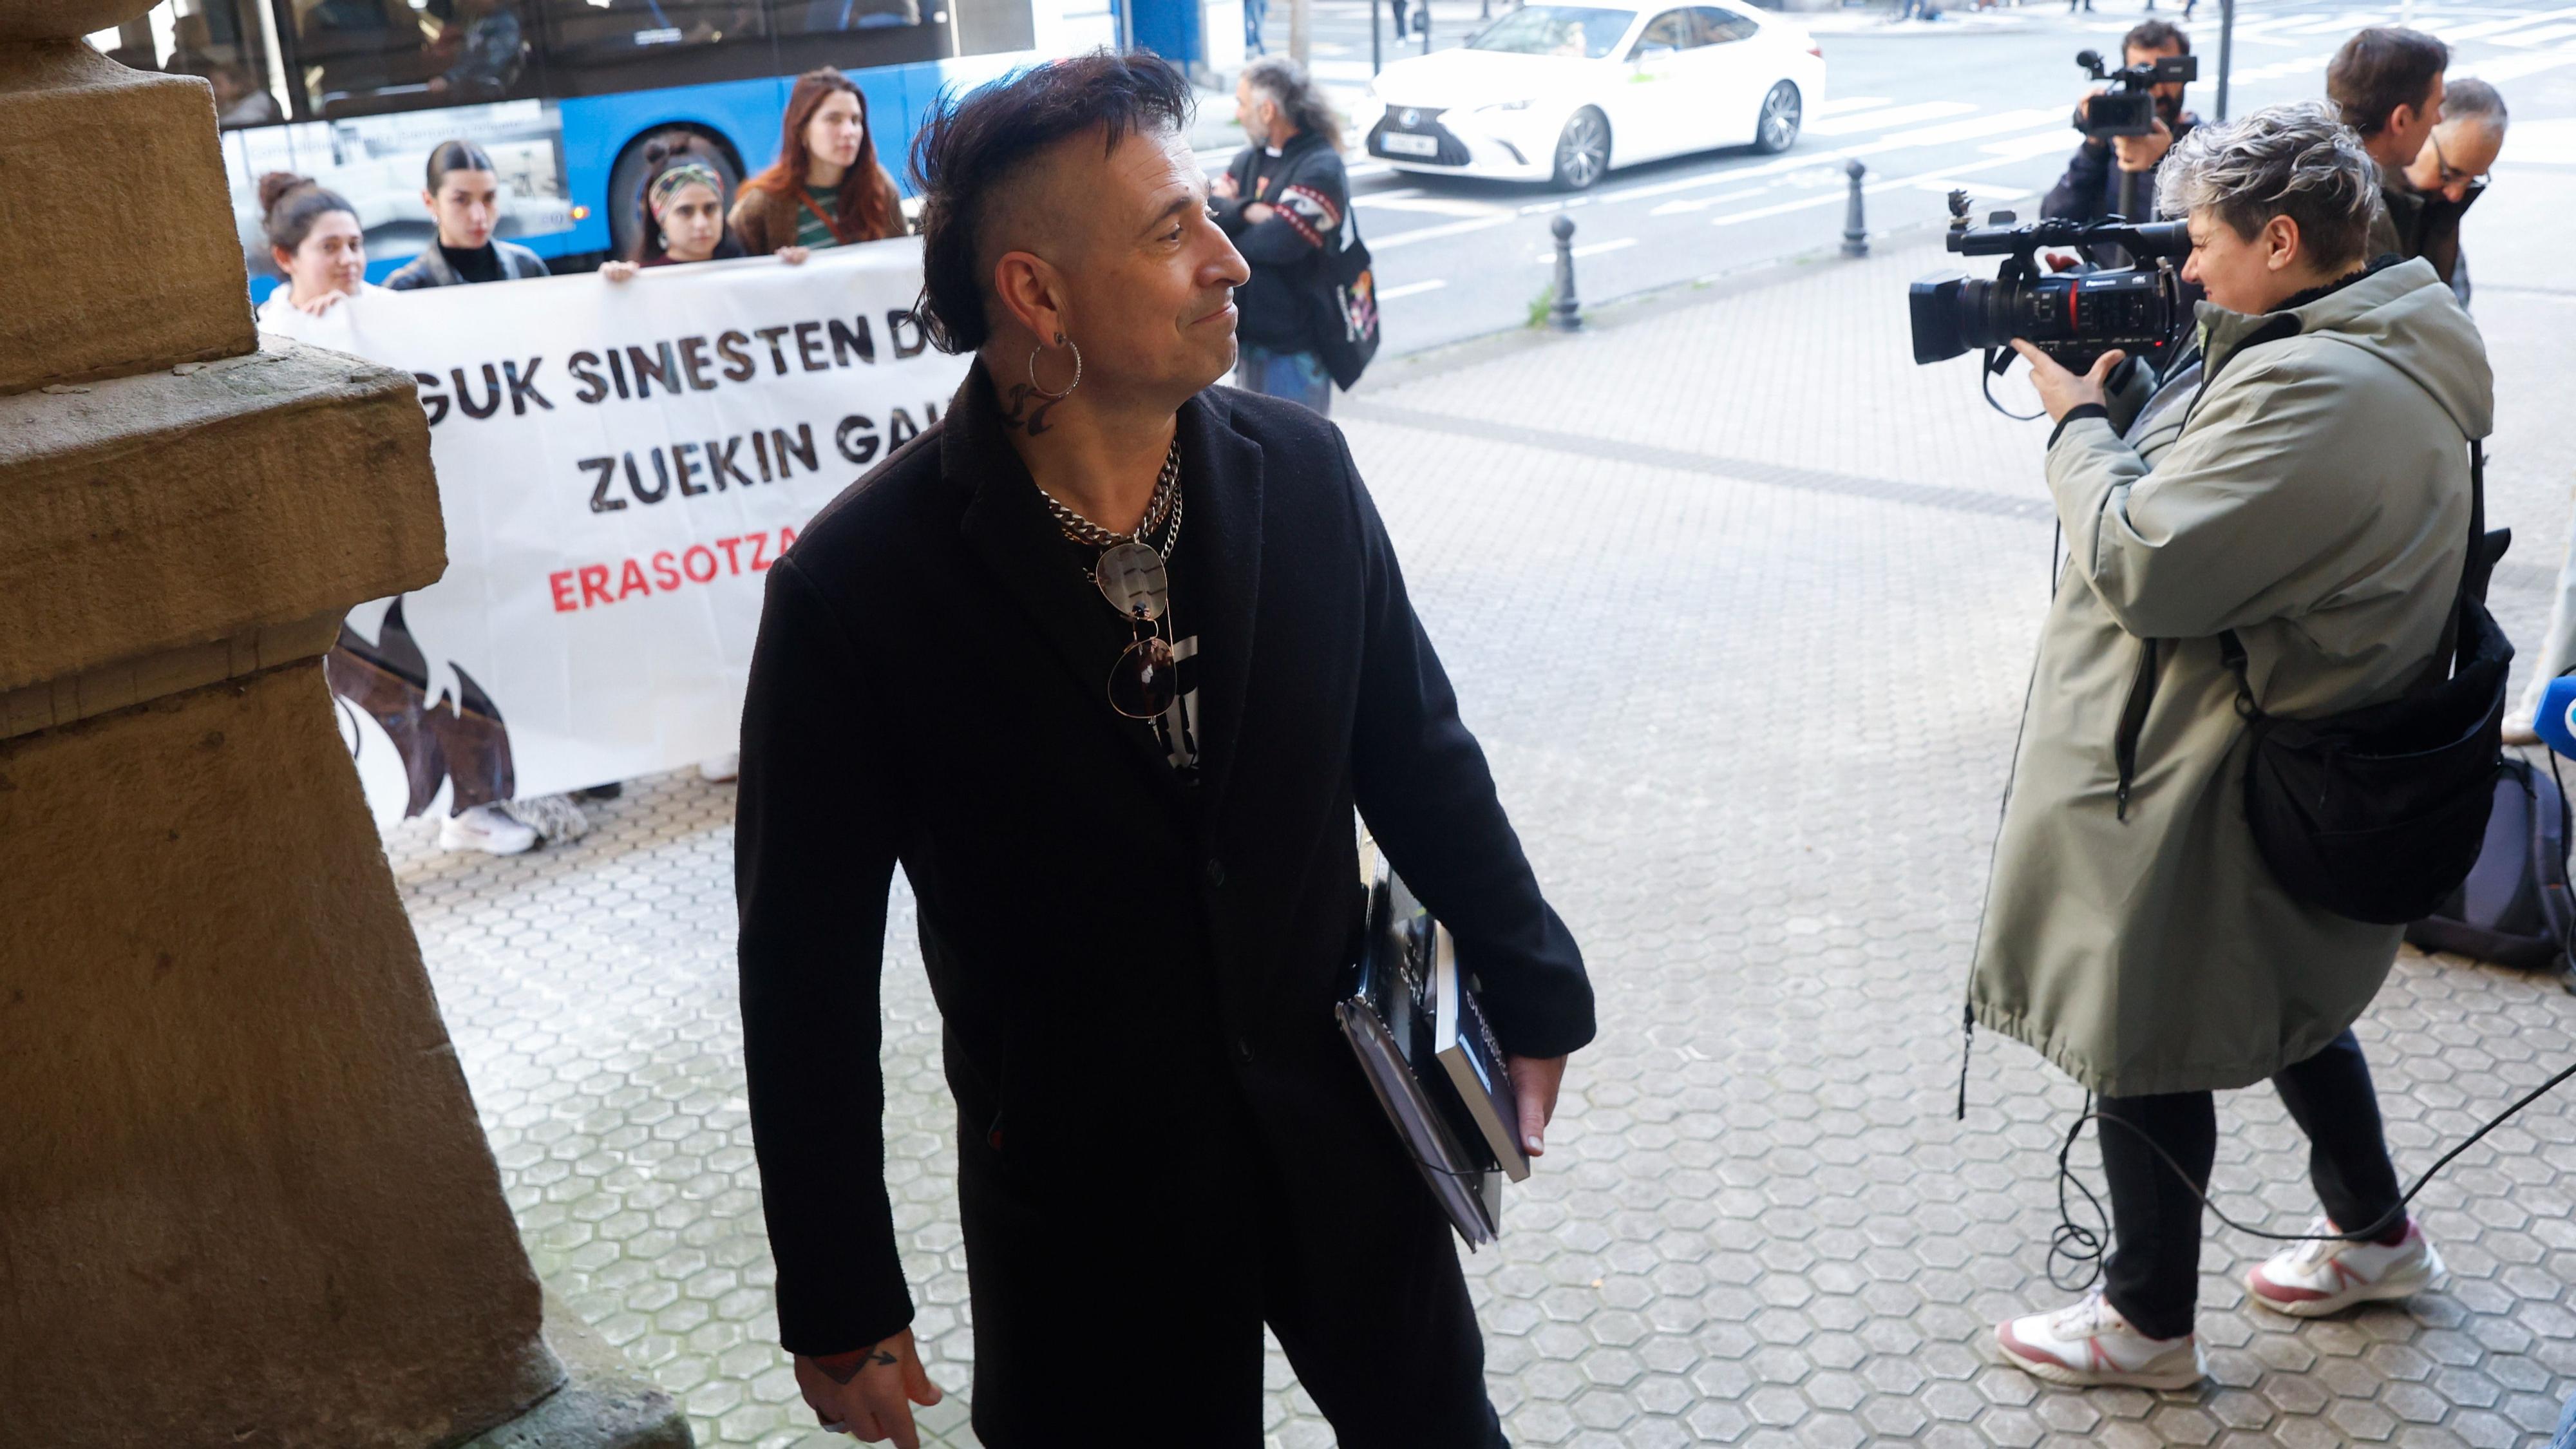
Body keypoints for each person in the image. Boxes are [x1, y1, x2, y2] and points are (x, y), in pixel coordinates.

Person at [735, 50, 1594, 1449]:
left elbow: (1418, 754)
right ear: (1036, 293)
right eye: (1170, 230)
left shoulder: (1302, 475)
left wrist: (1537, 987)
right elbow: (802, 972)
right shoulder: (857, 592)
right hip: (1085, 1204)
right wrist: (839, 1294)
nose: (1229, 260)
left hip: (1346, 1126)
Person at [1976, 102, 2489, 1390]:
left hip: (2218, 765)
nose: (2187, 270)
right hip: (2299, 752)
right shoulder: (2359, 334)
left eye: (2200, 242)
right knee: (2287, 994)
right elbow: (2220, 480)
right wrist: (2129, 396)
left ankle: (2143, 1325)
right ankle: (2374, 1237)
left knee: (2144, 1014)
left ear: (2278, 239)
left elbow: (2148, 565)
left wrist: (2072, 427)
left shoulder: (2318, 384)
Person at [1211, 57, 1350, 415]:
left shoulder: (1321, 167)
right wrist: (1249, 211)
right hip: (1249, 342)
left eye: (1242, 103)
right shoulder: (1249, 159)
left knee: (1295, 448)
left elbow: (1278, 243)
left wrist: (1230, 225)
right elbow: (1208, 210)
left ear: (1268, 111)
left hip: (1296, 352)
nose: (1238, 114)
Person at [2043, 21, 2197, 244]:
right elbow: (2054, 219)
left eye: (2163, 74)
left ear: (2183, 72)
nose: (2155, 90)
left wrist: (2165, 161)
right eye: (2141, 74)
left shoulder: (2203, 144)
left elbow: (2206, 228)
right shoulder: (2110, 143)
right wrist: (2093, 146)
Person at [729, 68, 904, 256]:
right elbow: (728, 263)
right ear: (802, 130)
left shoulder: (878, 186)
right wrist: (780, 267)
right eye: (833, 119)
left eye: (855, 120)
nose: (849, 132)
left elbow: (904, 258)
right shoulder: (763, 204)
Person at [2327, 26, 2448, 265]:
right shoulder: (2361, 218)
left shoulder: (2317, 176)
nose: (2439, 119)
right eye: (2436, 107)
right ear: (2401, 120)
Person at [384, 140, 549, 289]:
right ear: (430, 202)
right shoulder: (405, 289)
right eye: (461, 200)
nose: (479, 217)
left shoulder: (528, 268)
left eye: (489, 198)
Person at [2402, 76, 2505, 309]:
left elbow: (2457, 310)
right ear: (2422, 130)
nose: (2456, 195)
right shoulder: (2362, 208)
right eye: (2451, 173)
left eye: (2473, 180)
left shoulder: (2442, 213)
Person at [253, 173, 374, 325]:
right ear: (285, 258)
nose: (348, 259)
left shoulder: (390, 310)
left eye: (354, 245)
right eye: (329, 247)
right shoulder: (271, 331)